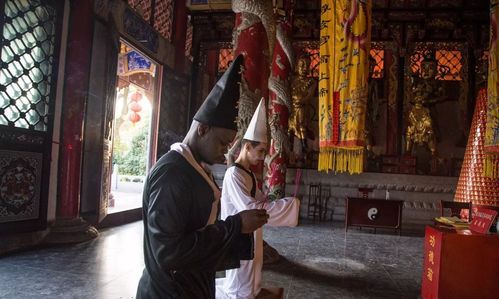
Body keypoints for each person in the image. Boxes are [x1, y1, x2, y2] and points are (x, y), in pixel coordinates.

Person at [136, 55, 270, 299]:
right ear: (202, 129)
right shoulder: (172, 174)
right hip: (168, 292)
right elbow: (168, 253)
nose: (225, 150)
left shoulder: (194, 168)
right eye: (222, 142)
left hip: (191, 284)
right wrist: (236, 225)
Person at [216, 99, 300, 299]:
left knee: (253, 275)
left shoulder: (249, 175)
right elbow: (252, 208)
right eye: (260, 151)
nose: (262, 157)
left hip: (253, 234)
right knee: (240, 281)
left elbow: (263, 201)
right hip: (239, 233)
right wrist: (289, 207)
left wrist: (279, 202)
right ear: (246, 147)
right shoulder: (233, 175)